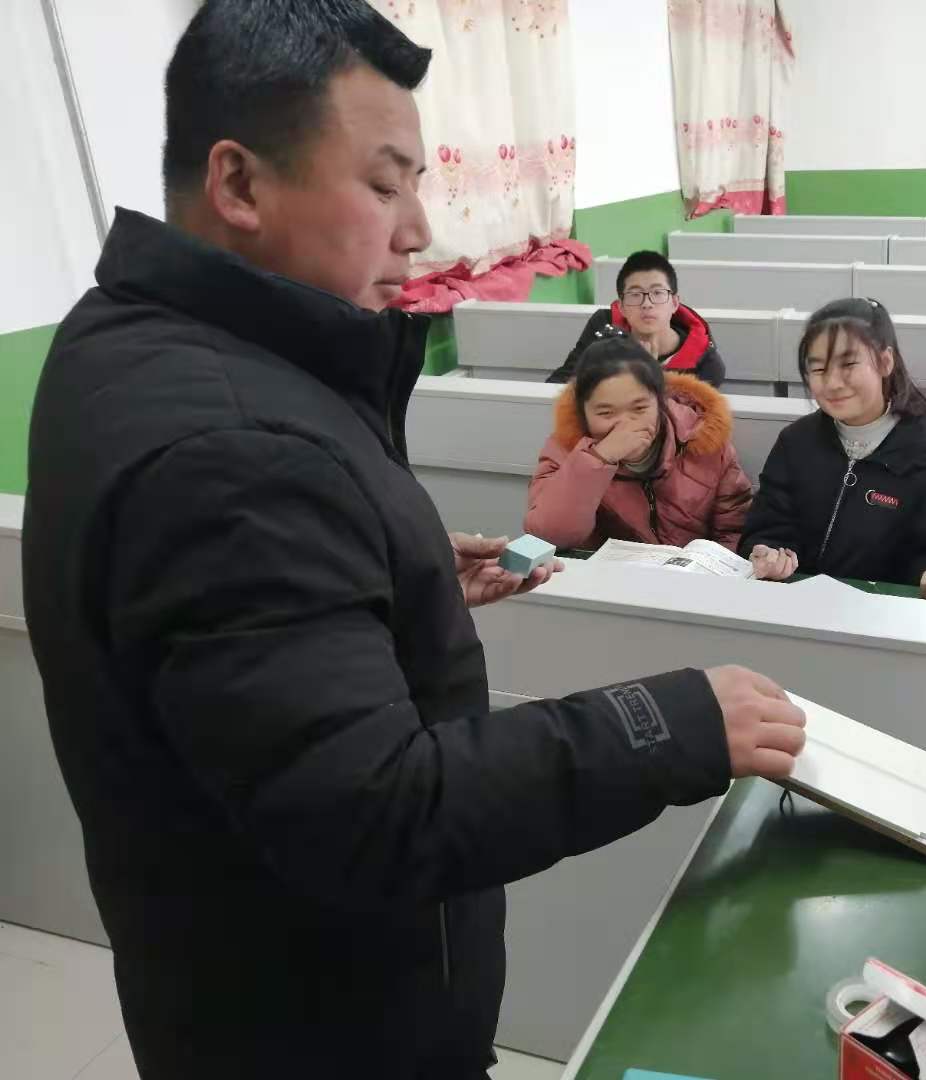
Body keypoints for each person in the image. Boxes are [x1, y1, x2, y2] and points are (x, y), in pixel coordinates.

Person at [19, 4, 804, 1079]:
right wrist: (671, 723)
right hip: (328, 1031)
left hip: (235, 979)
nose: (420, 229)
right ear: (239, 183)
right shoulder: (233, 453)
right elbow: (374, 812)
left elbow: (248, 633)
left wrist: (395, 578)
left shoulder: (125, 337)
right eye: (384, 185)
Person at [739, 298, 926, 600]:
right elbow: (765, 527)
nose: (832, 383)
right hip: (796, 610)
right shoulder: (796, 442)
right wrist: (770, 552)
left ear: (885, 362)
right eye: (818, 368)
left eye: (848, 364)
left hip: (885, 618)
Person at [526, 334, 752, 551]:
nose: (625, 424)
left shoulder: (703, 439)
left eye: (639, 408)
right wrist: (598, 458)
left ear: (660, 401)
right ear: (583, 413)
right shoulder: (565, 450)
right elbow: (549, 537)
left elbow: (734, 530)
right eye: (606, 413)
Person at [546, 249, 726, 386]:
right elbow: (560, 383)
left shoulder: (706, 363)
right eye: (635, 294)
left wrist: (647, 378)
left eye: (657, 293)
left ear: (674, 303)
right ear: (621, 307)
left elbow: (686, 420)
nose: (647, 304)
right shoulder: (603, 327)